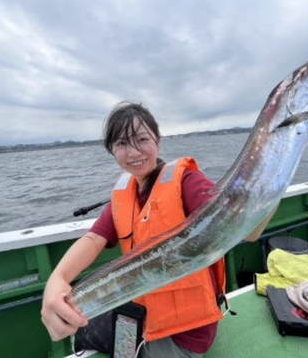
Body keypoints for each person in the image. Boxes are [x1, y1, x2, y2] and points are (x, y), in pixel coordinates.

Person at [41, 101, 226, 357]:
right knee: (85, 320)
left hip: (184, 337)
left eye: (141, 139)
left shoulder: (186, 181)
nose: (134, 152)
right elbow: (95, 238)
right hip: (147, 314)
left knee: (85, 332)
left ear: (157, 140)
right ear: (112, 151)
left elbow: (229, 210)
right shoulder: (126, 193)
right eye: (122, 144)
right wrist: (57, 279)